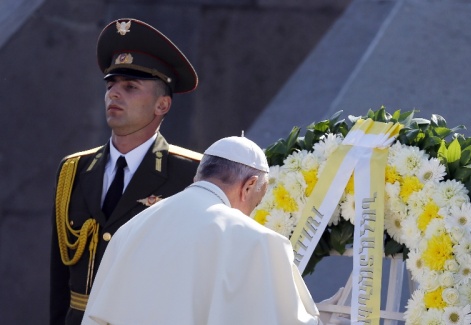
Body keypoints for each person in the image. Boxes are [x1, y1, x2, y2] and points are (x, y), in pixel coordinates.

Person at [50, 18, 203, 325]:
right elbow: (59, 279)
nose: (114, 94)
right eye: (111, 85)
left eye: (130, 87)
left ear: (162, 105)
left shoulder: (192, 175)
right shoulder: (74, 170)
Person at [81, 136, 322, 325]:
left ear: (199, 174)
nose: (250, 213)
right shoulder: (259, 241)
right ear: (249, 187)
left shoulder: (131, 229)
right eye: (255, 204)